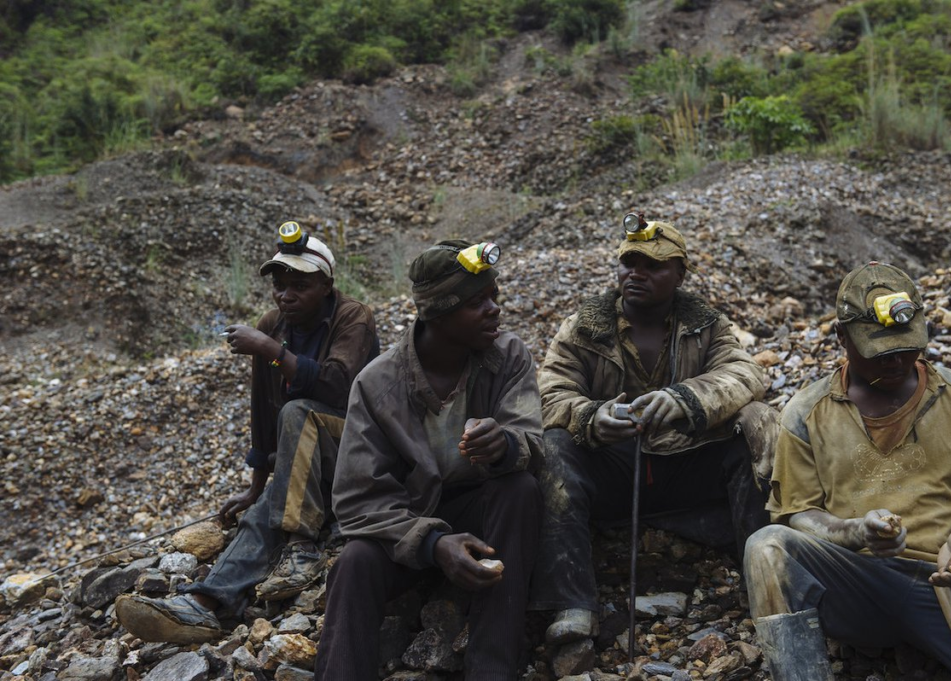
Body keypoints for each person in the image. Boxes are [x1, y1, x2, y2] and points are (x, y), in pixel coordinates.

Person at [744, 262, 951, 681]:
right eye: (880, 351)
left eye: (907, 347)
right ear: (841, 336)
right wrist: (856, 532)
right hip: (858, 585)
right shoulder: (806, 412)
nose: (896, 361)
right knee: (767, 546)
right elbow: (797, 514)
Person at [116, 222, 378, 643]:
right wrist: (255, 485)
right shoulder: (273, 323)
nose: (285, 295)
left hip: (361, 448)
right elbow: (263, 410)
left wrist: (271, 350)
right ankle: (204, 604)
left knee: (299, 413)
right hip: (308, 458)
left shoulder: (352, 316)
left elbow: (338, 386)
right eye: (279, 285)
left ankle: (301, 546)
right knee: (266, 505)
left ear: (327, 286)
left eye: (299, 286)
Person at [531, 213, 775, 645]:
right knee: (553, 444)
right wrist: (591, 417)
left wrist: (687, 397)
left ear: (680, 273)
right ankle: (571, 601)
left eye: (654, 266)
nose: (637, 274)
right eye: (629, 263)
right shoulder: (583, 328)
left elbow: (747, 375)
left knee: (757, 420)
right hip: (613, 471)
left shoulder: (707, 325)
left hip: (687, 466)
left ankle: (764, 576)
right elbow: (550, 396)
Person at [313, 240, 543, 681]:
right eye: (477, 302)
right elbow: (358, 501)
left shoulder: (507, 356)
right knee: (354, 561)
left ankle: (491, 668)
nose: (494, 309)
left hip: (484, 518)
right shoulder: (377, 383)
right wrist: (434, 544)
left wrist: (507, 446)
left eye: (494, 295)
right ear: (436, 313)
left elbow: (533, 439)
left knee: (519, 489)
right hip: (408, 526)